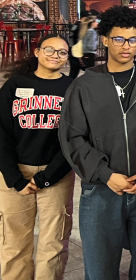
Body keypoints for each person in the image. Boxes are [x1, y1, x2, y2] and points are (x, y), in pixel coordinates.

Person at [59, 6, 136, 280]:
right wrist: (105, 174)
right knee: (100, 270)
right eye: (119, 39)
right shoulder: (84, 85)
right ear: (105, 39)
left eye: (133, 39)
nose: (127, 47)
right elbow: (72, 137)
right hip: (101, 191)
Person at [0, 35, 75, 280]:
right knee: (13, 244)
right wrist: (15, 178)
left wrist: (47, 176)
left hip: (57, 175)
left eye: (62, 52)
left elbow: (74, 138)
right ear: (37, 51)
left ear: (67, 58)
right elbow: (1, 133)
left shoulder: (72, 88)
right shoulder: (14, 85)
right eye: (50, 50)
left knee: (53, 244)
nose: (55, 55)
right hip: (15, 173)